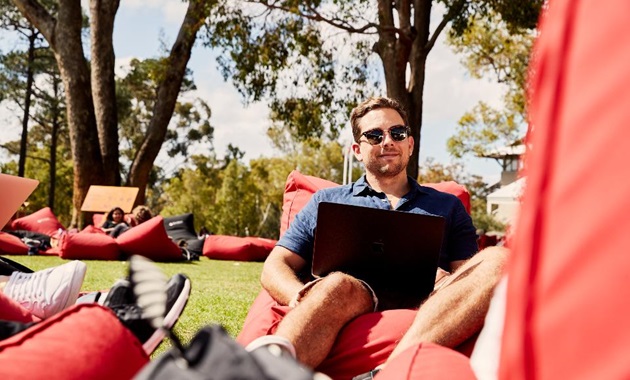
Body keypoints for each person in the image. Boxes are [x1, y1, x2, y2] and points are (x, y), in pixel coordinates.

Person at [252, 96, 507, 378]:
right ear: (357, 150)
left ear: (409, 144)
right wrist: (299, 297)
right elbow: (276, 264)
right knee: (337, 283)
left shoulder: (448, 205)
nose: (387, 141)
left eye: (397, 133)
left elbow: (470, 278)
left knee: (498, 259)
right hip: (353, 294)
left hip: (431, 301)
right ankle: (267, 373)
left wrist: (442, 277)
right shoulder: (327, 202)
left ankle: (386, 374)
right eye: (374, 135)